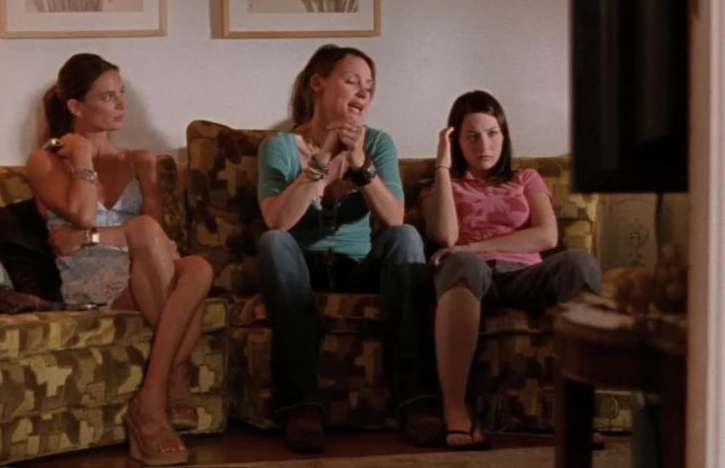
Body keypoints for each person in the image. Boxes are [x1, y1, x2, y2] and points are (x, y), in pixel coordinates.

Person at [26, 53, 213, 467]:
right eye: (107, 97)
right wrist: (82, 156)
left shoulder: (141, 161)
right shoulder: (45, 161)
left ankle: (150, 399)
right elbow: (83, 212)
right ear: (76, 107)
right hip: (92, 277)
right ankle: (169, 384)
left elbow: (152, 236)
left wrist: (88, 237)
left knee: (198, 266)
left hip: (144, 266)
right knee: (147, 235)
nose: (121, 105)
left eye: (121, 94)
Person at [257, 44, 441, 452]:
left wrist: (360, 165)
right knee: (273, 243)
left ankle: (417, 402)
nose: (363, 93)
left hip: (358, 266)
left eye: (369, 87)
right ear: (318, 84)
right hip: (299, 267)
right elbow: (278, 220)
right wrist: (323, 157)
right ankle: (301, 407)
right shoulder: (279, 147)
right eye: (352, 81)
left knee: (407, 238)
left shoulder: (378, 143)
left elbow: (394, 217)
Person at [420, 90, 604, 450]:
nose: (484, 145)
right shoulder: (437, 186)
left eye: (493, 133)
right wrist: (442, 167)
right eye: (471, 136)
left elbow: (546, 235)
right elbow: (445, 237)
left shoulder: (526, 178)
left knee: (579, 262)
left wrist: (472, 246)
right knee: (463, 263)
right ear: (456, 141)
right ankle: (455, 410)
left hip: (525, 275)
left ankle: (578, 414)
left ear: (504, 136)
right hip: (471, 278)